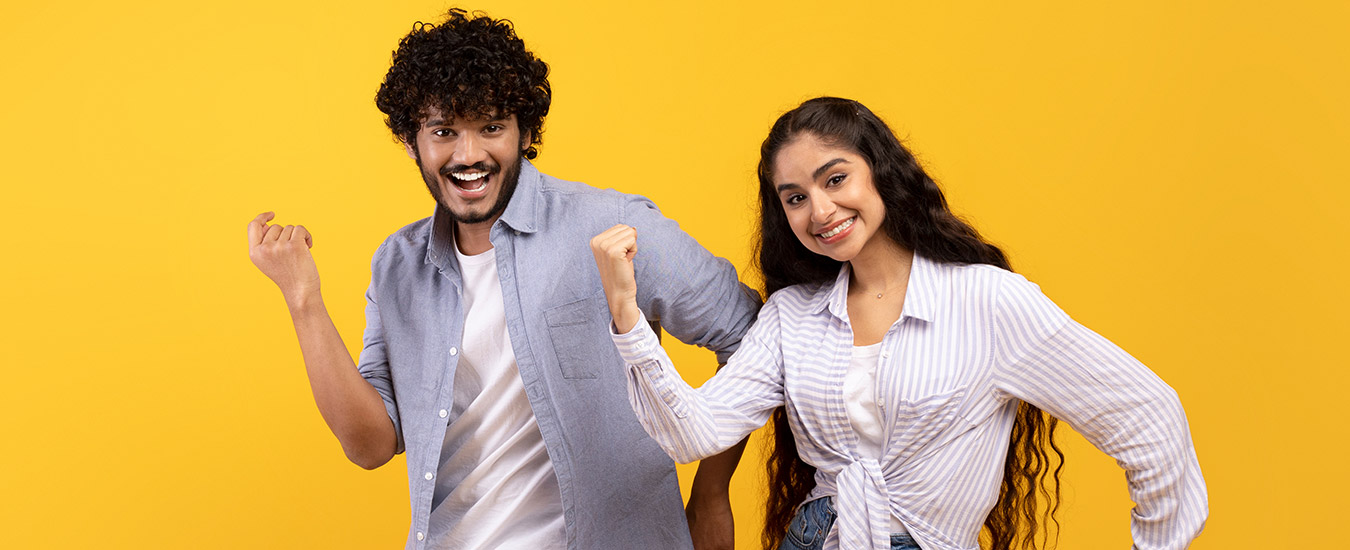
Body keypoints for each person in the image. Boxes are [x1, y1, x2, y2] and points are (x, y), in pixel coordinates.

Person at [590, 97, 1208, 550]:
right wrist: (625, 310)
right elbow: (691, 434)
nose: (821, 210)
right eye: (795, 197)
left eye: (836, 179)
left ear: (879, 172)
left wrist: (1158, 541)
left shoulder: (987, 303)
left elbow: (1147, 414)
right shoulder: (791, 318)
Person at [245, 9, 760, 550]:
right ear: (410, 140)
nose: (469, 155)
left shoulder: (612, 225)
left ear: (526, 131)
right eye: (444, 131)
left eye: (491, 126)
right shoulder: (397, 267)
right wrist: (303, 299)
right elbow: (370, 445)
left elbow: (750, 335)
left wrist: (710, 495)